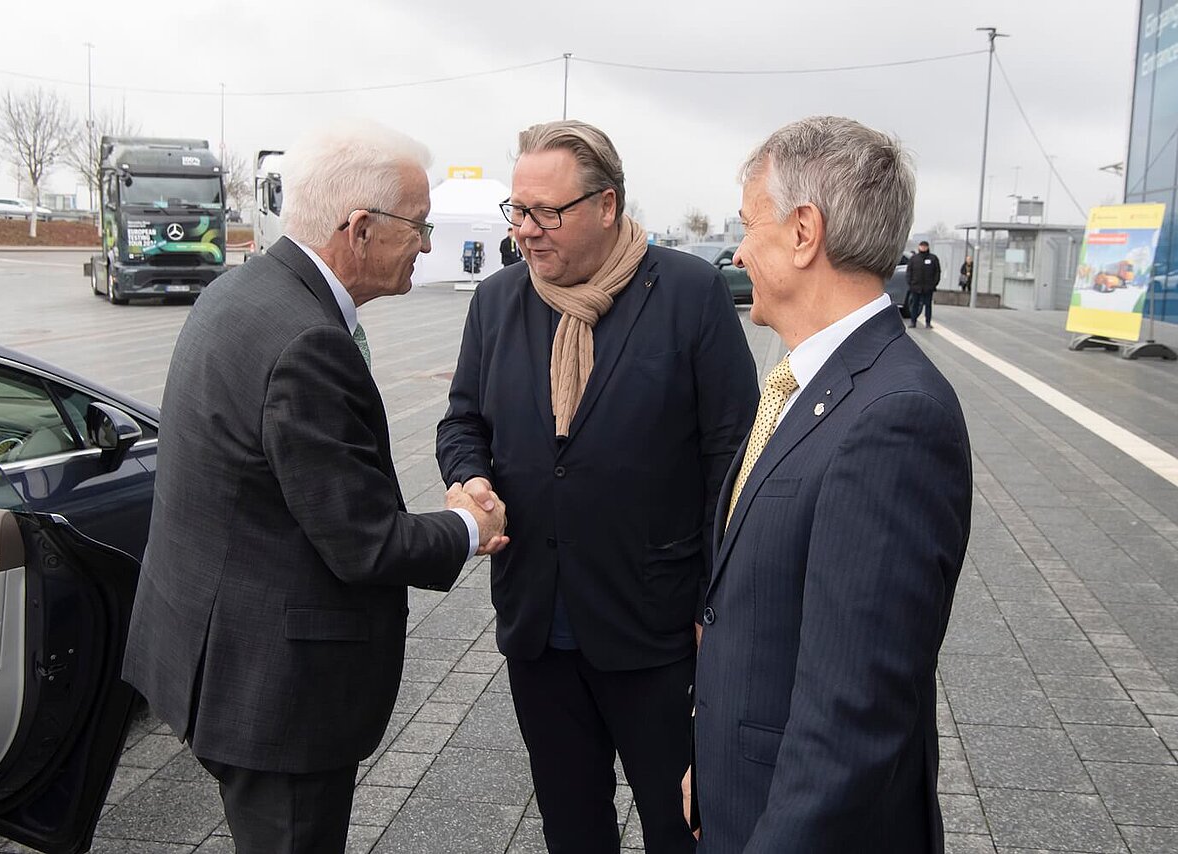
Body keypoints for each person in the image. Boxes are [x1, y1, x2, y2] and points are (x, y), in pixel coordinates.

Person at [121, 120, 509, 854]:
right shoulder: (309, 342)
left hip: (212, 655)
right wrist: (468, 526)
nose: (427, 246)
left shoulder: (243, 290)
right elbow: (362, 542)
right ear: (360, 228)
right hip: (274, 697)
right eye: (419, 228)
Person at [437, 119, 757, 854]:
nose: (526, 231)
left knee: (680, 827)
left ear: (606, 205)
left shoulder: (689, 294)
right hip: (538, 625)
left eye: (546, 212)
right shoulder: (498, 302)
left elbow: (733, 460)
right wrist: (470, 475)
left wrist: (718, 600)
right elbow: (461, 422)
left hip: (655, 627)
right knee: (570, 825)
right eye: (517, 211)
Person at [688, 116, 972, 854]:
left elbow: (853, 718)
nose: (741, 248)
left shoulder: (894, 418)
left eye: (750, 224)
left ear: (804, 232)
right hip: (747, 795)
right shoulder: (805, 385)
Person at [906, 239, 941, 328]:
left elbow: (937, 272)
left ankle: (928, 323)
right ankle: (913, 322)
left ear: (928, 247)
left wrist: (934, 284)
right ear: (919, 247)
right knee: (915, 305)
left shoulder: (933, 258)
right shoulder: (914, 258)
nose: (923, 248)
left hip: (928, 287)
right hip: (916, 286)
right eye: (921, 246)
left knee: (928, 306)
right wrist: (910, 283)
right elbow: (909, 271)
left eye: (925, 246)